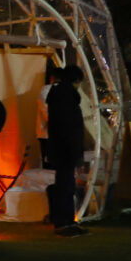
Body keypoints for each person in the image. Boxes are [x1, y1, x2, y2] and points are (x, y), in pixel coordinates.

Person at [47, 65, 89, 237]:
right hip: (66, 149)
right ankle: (65, 222)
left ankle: (66, 221)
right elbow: (70, 127)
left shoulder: (57, 95)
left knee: (64, 184)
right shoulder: (68, 98)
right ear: (76, 81)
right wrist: (75, 150)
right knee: (66, 185)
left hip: (60, 148)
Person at [36, 65, 60, 168]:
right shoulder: (47, 90)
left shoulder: (46, 90)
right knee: (51, 163)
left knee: (52, 163)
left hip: (48, 133)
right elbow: (45, 108)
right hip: (48, 133)